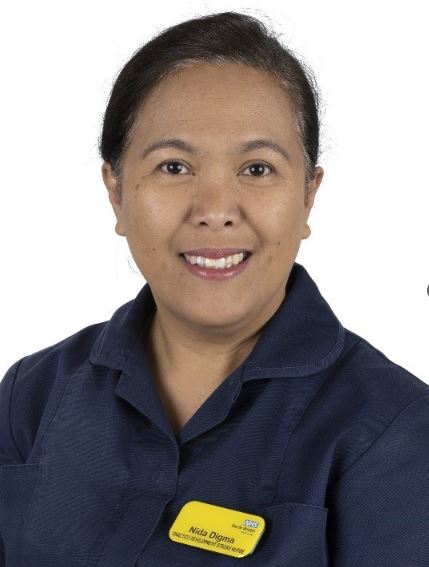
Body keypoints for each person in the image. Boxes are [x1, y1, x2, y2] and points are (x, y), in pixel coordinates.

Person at [1, 11, 428, 567]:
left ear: (308, 196)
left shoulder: (393, 432)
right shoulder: (30, 398)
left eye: (257, 170)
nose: (216, 212)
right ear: (116, 193)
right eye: (174, 166)